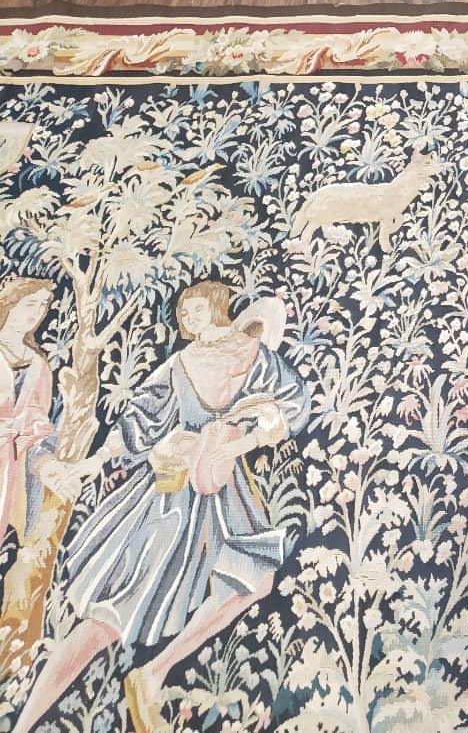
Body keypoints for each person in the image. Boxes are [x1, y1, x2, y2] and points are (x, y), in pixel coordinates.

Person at [13, 281, 311, 733]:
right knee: (110, 616)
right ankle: (24, 722)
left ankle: (154, 672)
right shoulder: (181, 364)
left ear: (219, 307)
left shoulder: (257, 357)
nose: (185, 319)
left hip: (225, 493)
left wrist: (240, 443)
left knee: (252, 580)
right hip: (169, 496)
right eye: (182, 313)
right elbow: (136, 422)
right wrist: (93, 462)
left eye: (194, 308)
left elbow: (292, 407)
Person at [0, 277, 55, 549]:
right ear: (10, 304)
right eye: (30, 304)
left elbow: (40, 419)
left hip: (13, 464)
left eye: (43, 305)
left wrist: (28, 429)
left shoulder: (38, 365)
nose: (37, 312)